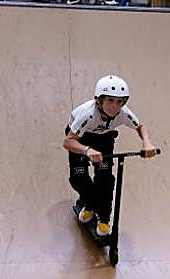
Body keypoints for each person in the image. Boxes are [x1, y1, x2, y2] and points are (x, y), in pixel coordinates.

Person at [63, 74, 158, 241]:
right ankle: (89, 203)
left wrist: (147, 143)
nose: (115, 107)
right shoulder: (87, 114)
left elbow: (140, 126)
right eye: (110, 101)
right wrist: (86, 151)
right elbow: (68, 141)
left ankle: (104, 218)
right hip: (80, 140)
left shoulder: (123, 113)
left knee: (105, 178)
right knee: (78, 177)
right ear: (99, 100)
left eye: (120, 102)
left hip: (104, 140)